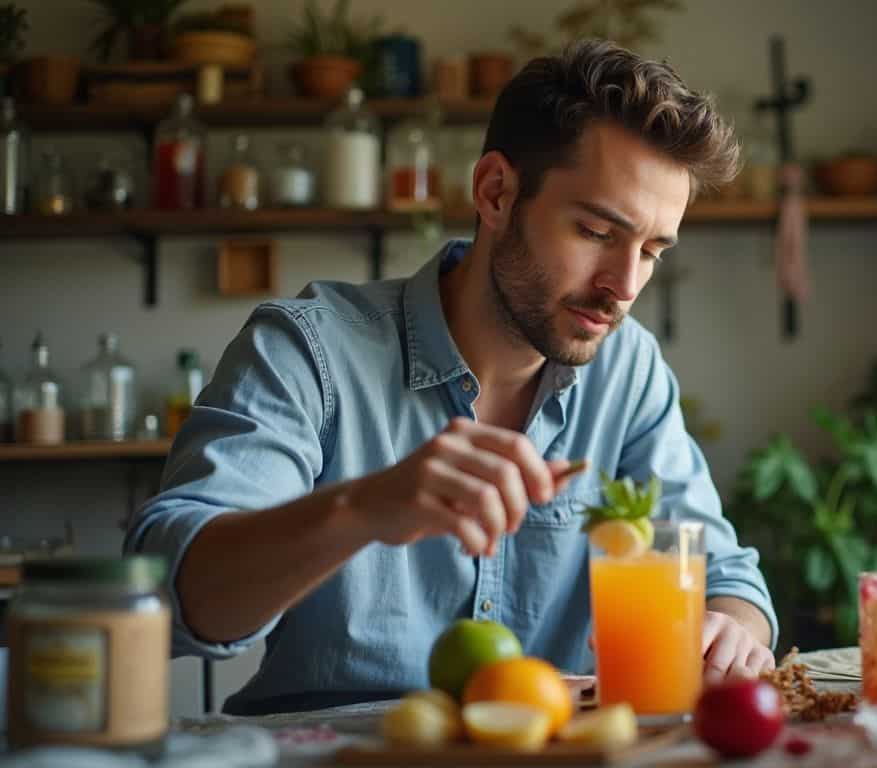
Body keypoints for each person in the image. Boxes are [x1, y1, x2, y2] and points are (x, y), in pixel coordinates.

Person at [125, 40, 778, 716]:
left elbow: (728, 578)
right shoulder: (309, 351)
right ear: (496, 192)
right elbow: (172, 596)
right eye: (594, 232)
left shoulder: (629, 369)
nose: (624, 285)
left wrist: (729, 629)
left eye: (651, 251)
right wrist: (362, 510)